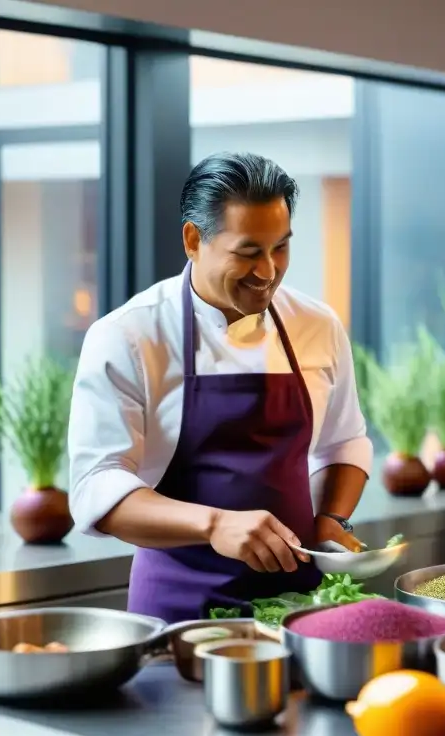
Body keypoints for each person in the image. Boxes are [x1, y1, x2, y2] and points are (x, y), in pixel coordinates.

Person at [67, 152, 373, 623]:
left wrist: (331, 519)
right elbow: (96, 487)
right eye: (248, 252)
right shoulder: (129, 335)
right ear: (193, 239)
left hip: (299, 609)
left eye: (281, 248)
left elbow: (344, 441)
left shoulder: (317, 325)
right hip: (178, 614)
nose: (269, 271)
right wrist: (215, 524)